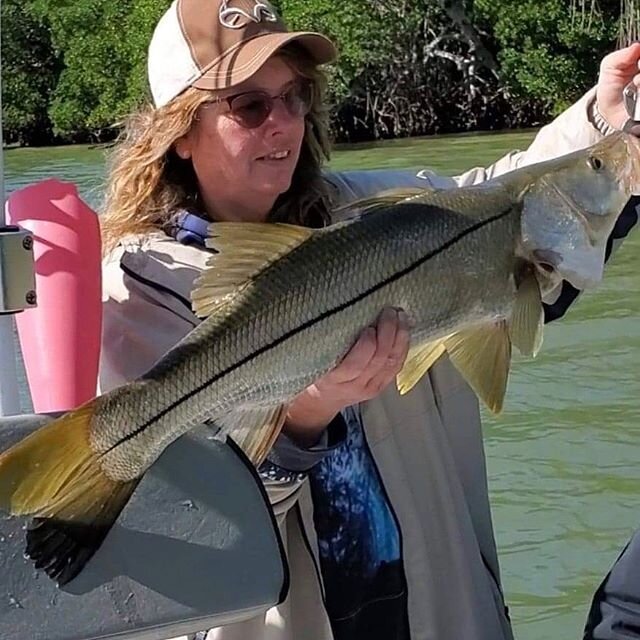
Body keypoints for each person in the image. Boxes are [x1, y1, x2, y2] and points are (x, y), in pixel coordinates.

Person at [98, 1, 640, 638]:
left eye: (295, 96)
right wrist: (300, 418)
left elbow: (501, 198)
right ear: (180, 131)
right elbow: (183, 532)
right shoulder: (135, 289)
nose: (281, 125)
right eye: (248, 106)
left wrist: (608, 120)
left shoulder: (370, 212)